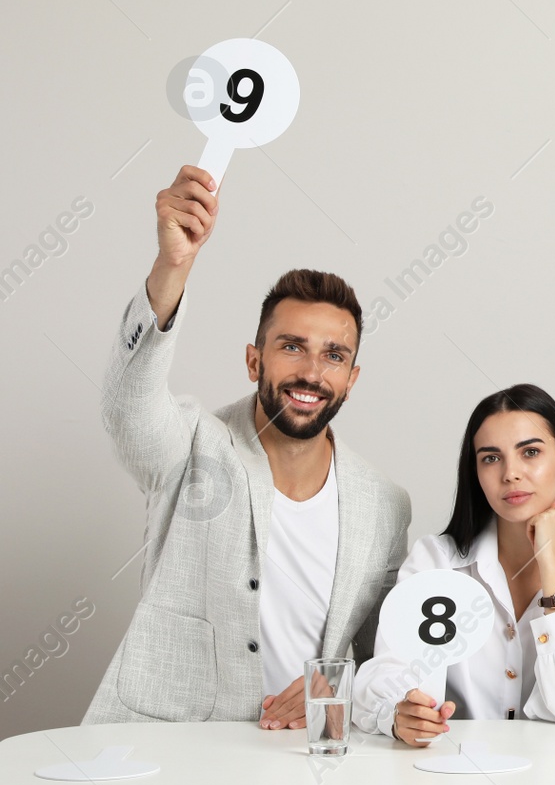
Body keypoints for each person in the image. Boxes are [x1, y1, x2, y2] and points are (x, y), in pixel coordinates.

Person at [85, 166, 410, 727]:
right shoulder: (190, 445)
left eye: (334, 355)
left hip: (304, 759)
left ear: (352, 379)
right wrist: (173, 266)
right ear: (254, 359)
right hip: (170, 754)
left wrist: (336, 690)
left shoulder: (385, 504)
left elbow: (385, 659)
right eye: (291, 347)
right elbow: (126, 410)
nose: (311, 371)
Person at [352, 385, 555, 742]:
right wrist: (397, 713)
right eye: (491, 458)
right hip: (452, 775)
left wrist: (553, 567)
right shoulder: (435, 561)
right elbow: (383, 675)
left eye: (530, 452)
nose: (510, 473)